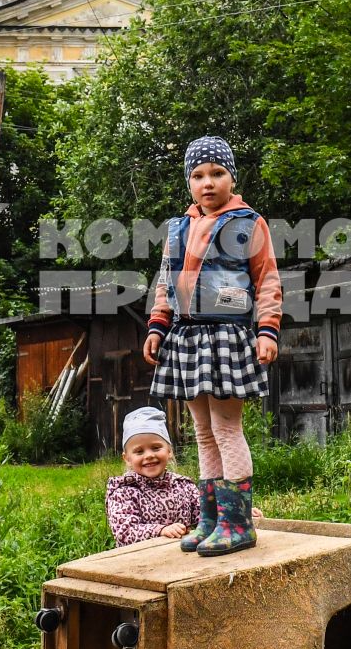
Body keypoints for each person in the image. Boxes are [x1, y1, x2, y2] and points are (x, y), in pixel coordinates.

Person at [143, 136, 281, 556]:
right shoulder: (177, 228)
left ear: (232, 178)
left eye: (217, 173)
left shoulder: (248, 222)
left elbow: (267, 279)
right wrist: (157, 325)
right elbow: (166, 281)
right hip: (186, 336)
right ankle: (211, 519)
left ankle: (238, 524)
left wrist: (267, 329)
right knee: (202, 432)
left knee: (225, 428)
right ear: (189, 181)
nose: (208, 182)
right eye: (198, 175)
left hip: (226, 334)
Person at [105, 406, 199, 546]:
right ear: (127, 459)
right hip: (138, 562)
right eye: (139, 451)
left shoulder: (184, 486)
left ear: (169, 451)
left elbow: (205, 516)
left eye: (156, 448)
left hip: (182, 559)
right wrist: (161, 530)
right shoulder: (123, 492)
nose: (149, 455)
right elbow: (125, 532)